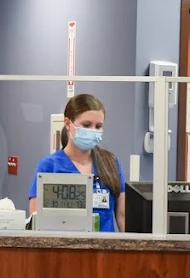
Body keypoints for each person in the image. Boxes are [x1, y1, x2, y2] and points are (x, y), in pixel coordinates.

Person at [28, 93, 126, 232]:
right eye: (86, 125)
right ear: (68, 124)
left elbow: (122, 217)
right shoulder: (49, 166)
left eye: (98, 126)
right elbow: (36, 219)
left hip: (104, 251)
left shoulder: (111, 164)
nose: (93, 131)